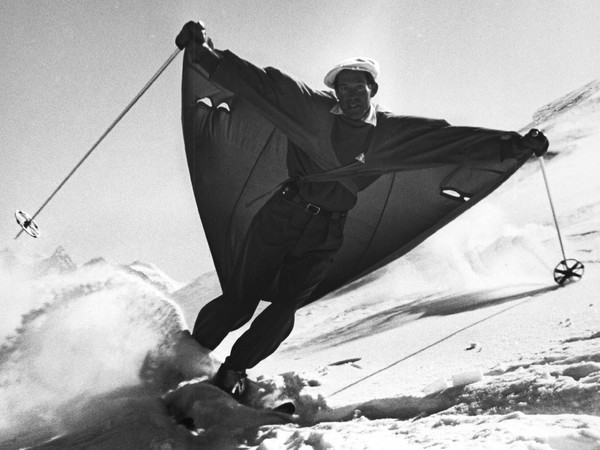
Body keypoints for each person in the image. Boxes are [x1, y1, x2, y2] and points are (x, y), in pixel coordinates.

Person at [175, 21, 549, 399]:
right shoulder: (311, 109)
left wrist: (514, 146)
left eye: (359, 86)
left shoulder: (390, 134)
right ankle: (189, 355)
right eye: (343, 86)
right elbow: (263, 85)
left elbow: (449, 140)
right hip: (282, 216)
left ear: (373, 89)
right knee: (240, 303)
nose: (351, 93)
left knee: (284, 311)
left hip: (326, 234)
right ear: (334, 91)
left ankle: (232, 372)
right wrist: (204, 51)